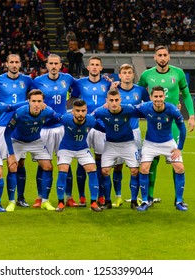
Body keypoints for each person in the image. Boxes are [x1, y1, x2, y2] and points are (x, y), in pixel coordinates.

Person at [137, 45, 195, 206]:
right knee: (151, 161)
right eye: (159, 55)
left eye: (165, 55)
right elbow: (139, 93)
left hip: (174, 122)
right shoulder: (146, 75)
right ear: (154, 58)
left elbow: (187, 94)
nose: (162, 58)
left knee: (175, 162)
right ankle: (149, 197)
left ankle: (178, 199)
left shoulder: (178, 73)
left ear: (169, 57)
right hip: (154, 121)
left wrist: (191, 115)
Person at [31, 54, 77, 208]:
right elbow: (31, 98)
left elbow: (77, 90)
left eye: (56, 63)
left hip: (61, 127)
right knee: (43, 164)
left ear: (60, 64)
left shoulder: (68, 79)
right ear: (47, 64)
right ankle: (40, 197)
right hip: (43, 128)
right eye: (51, 63)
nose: (53, 66)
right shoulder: (38, 81)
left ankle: (69, 197)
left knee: (66, 162)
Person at [4, 89, 61, 211]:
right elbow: (7, 132)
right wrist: (11, 154)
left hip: (36, 141)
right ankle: (11, 202)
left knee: (48, 166)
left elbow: (59, 119)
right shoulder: (20, 112)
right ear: (28, 102)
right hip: (17, 141)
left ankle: (45, 201)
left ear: (43, 102)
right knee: (13, 166)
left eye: (39, 101)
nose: (36, 104)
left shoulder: (48, 111)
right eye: (33, 101)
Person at [0, 54, 33, 210]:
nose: (14, 65)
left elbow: (35, 97)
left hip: (19, 126)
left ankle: (20, 197)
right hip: (1, 126)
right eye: (11, 62)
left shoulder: (27, 80)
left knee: (19, 162)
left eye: (17, 62)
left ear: (20, 64)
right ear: (6, 64)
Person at [135, 86, 187, 211]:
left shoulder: (172, 109)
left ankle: (179, 201)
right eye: (156, 96)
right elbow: (130, 109)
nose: (158, 99)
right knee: (144, 168)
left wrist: (179, 148)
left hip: (168, 143)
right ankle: (145, 201)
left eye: (160, 96)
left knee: (179, 168)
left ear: (164, 97)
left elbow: (182, 128)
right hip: (150, 143)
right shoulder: (145, 107)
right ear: (151, 97)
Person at [69, 56, 112, 207]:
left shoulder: (107, 83)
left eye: (97, 65)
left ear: (101, 68)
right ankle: (81, 196)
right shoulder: (79, 83)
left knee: (100, 161)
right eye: (92, 65)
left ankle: (100, 195)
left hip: (101, 126)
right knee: (82, 161)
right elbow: (72, 100)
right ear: (88, 67)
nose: (94, 67)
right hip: (84, 126)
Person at [91, 88, 141, 209]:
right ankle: (108, 201)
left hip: (128, 144)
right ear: (106, 101)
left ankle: (134, 201)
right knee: (105, 171)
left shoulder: (128, 109)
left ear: (120, 100)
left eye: (116, 100)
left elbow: (145, 112)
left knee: (134, 171)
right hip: (110, 145)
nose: (114, 103)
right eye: (111, 100)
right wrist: (102, 129)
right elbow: (89, 119)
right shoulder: (101, 111)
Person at [111, 64, 150, 208]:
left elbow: (150, 107)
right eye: (124, 72)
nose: (127, 75)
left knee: (135, 168)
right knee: (117, 166)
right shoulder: (114, 91)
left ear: (133, 75)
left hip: (134, 134)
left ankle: (134, 199)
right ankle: (118, 197)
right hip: (117, 133)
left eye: (129, 72)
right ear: (119, 75)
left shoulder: (140, 91)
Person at [55, 99, 103, 212]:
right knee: (63, 170)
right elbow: (51, 120)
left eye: (83, 111)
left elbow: (103, 129)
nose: (80, 113)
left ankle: (93, 202)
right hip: (66, 148)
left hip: (82, 148)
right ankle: (61, 202)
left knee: (92, 168)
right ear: (73, 111)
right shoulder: (66, 119)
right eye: (77, 111)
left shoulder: (91, 120)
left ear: (86, 111)